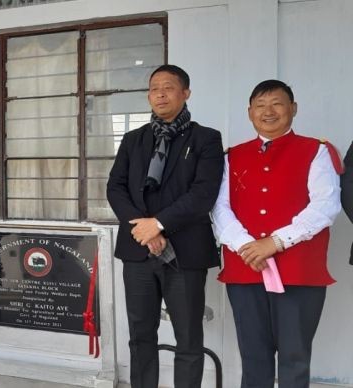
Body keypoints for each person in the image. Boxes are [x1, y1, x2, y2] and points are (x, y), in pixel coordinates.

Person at [212, 80, 341, 388]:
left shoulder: (316, 151)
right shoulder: (231, 156)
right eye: (260, 105)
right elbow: (218, 208)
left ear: (293, 109)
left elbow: (325, 206)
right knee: (253, 356)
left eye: (277, 104)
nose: (268, 111)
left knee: (295, 358)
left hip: (298, 270)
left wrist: (275, 242)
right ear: (249, 112)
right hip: (245, 269)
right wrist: (246, 246)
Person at [106, 64, 224, 387]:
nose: (160, 93)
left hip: (185, 253)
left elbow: (203, 194)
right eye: (154, 88)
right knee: (140, 335)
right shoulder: (133, 140)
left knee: (188, 337)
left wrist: (157, 225)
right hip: (138, 252)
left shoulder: (206, 139)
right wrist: (144, 232)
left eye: (169, 87)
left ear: (185, 93)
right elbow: (115, 188)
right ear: (148, 96)